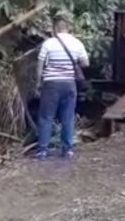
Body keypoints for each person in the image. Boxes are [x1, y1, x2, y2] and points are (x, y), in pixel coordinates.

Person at [35, 15, 89, 160]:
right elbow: (85, 63)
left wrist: (38, 83)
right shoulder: (77, 43)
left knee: (46, 117)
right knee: (68, 117)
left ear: (55, 29)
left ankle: (42, 151)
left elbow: (40, 65)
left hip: (51, 84)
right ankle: (67, 149)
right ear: (67, 28)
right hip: (69, 84)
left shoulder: (48, 43)